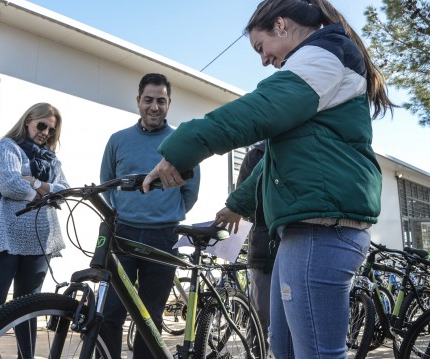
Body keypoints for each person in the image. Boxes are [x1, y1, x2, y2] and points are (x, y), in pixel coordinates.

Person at [143, 0, 394, 357]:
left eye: (261, 47)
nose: (263, 59)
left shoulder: (324, 57)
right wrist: (237, 205)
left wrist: (181, 149)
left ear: (281, 25)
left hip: (319, 233)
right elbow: (269, 164)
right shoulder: (324, 61)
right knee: (283, 347)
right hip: (305, 233)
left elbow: (260, 109)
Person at [100, 73, 200, 358]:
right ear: (138, 101)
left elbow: (189, 192)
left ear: (169, 104)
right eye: (148, 100)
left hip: (163, 237)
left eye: (161, 101)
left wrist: (164, 210)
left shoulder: (181, 142)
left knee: (150, 317)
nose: (154, 107)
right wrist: (126, 208)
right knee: (111, 313)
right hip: (122, 234)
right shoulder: (118, 140)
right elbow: (107, 182)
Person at [0, 102, 69, 358]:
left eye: (51, 130)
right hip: (2, 238)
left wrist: (33, 181)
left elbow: (64, 193)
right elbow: (10, 184)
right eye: (41, 125)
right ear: (28, 121)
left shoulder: (51, 160)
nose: (45, 132)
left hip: (38, 241)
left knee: (28, 308)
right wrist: (45, 192)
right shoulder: (8, 147)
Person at [214, 140, 274, 341]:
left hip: (296, 242)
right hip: (263, 247)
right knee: (261, 317)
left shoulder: (300, 146)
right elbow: (243, 203)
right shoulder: (254, 155)